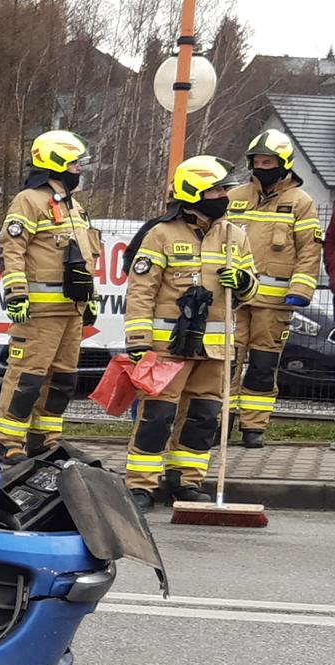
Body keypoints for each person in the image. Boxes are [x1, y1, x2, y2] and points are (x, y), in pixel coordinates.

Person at [117, 156, 258, 511]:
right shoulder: (161, 234)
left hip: (214, 351)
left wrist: (243, 282)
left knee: (203, 418)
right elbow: (141, 291)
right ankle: (141, 485)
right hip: (168, 348)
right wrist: (138, 342)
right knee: (157, 416)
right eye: (216, 190)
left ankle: (186, 482)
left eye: (224, 189)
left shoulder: (234, 236)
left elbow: (250, 289)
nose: (224, 196)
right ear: (194, 193)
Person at [0, 130, 102, 462]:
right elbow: (11, 249)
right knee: (27, 378)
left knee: (62, 381)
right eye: (74, 163)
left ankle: (45, 441)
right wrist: (16, 293)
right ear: (56, 163)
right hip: (39, 312)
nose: (79, 169)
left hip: (71, 311)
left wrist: (91, 297)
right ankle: (7, 442)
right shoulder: (29, 200)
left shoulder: (73, 206)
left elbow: (86, 256)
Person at [225, 129, 325, 447]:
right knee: (226, 362)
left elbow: (309, 250)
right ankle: (218, 422)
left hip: (275, 303)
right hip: (234, 299)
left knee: (263, 366)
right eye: (256, 161)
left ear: (283, 164)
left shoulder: (300, 202)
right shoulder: (235, 196)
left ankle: (253, 427)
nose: (261, 167)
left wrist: (301, 289)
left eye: (267, 162)